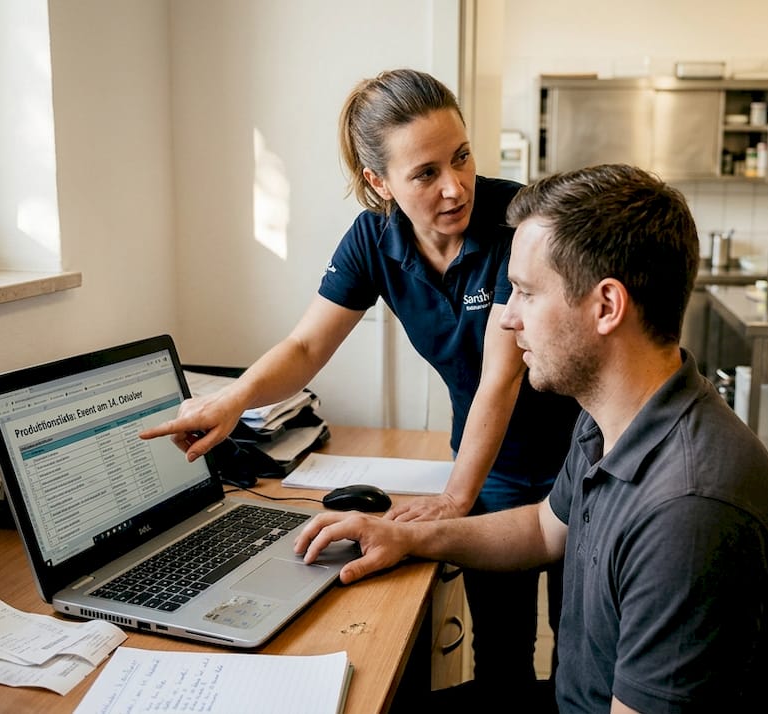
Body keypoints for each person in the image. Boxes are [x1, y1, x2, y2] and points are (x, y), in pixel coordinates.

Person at [295, 164, 768, 713]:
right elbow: (544, 529)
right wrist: (408, 538)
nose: (507, 319)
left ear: (606, 307)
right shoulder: (610, 419)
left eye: (525, 292)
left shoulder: (689, 512)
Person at [140, 69, 580, 690]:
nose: (455, 187)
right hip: (491, 465)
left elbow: (500, 379)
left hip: (576, 456)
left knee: (579, 657)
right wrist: (233, 399)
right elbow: (305, 345)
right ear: (379, 182)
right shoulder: (374, 240)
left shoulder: (516, 223)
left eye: (461, 157)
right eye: (425, 173)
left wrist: (453, 502)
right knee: (501, 659)